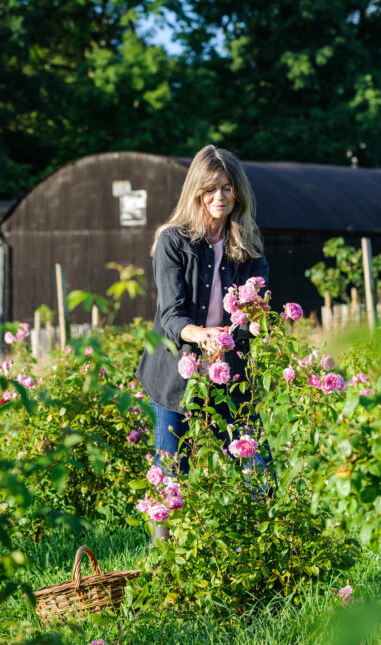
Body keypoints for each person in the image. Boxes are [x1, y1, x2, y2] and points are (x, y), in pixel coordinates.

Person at [135, 145, 273, 541]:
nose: (219, 197)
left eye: (227, 188)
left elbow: (255, 312)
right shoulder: (173, 241)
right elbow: (170, 315)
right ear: (196, 191)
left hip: (230, 367)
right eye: (210, 189)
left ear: (238, 193)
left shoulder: (247, 245)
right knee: (172, 469)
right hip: (174, 370)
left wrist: (251, 327)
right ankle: (164, 558)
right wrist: (202, 335)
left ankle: (264, 544)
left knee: (255, 460)